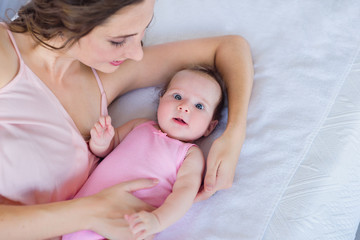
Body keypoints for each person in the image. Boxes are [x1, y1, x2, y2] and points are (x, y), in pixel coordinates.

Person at [0, 0, 253, 239]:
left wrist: (233, 134)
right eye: (118, 40)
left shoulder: (105, 75)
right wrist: (88, 212)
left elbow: (229, 48)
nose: (137, 54)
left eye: (144, 30)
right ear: (70, 20)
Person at [63, 65, 226, 240]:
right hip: (79, 211)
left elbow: (183, 195)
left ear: (209, 127)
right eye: (177, 96)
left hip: (126, 222)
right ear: (161, 100)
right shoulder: (139, 125)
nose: (184, 107)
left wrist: (157, 220)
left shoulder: (190, 155)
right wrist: (101, 141)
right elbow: (106, 149)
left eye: (199, 106)